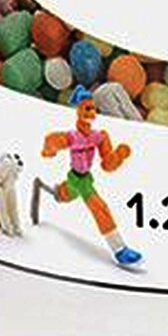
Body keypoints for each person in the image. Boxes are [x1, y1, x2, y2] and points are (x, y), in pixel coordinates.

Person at [31, 87, 142, 266]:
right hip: (78, 179)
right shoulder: (72, 137)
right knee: (100, 208)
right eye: (87, 109)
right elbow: (52, 140)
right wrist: (48, 151)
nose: (91, 113)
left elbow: (107, 165)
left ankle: (49, 189)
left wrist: (119, 156)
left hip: (82, 179)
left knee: (64, 195)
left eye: (93, 109)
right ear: (79, 110)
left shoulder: (99, 137)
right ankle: (120, 249)